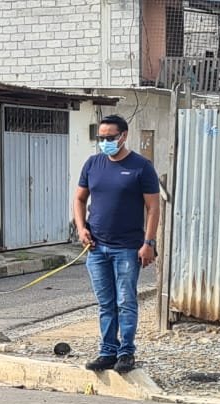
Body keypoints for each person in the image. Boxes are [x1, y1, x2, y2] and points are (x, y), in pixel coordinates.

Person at [72, 114, 160, 374]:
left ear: (124, 136)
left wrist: (149, 243)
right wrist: (80, 228)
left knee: (125, 300)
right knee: (105, 302)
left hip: (127, 248)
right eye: (101, 138)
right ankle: (107, 351)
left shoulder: (141, 167)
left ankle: (126, 352)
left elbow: (153, 208)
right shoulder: (93, 164)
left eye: (110, 138)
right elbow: (79, 199)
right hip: (97, 247)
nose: (105, 142)